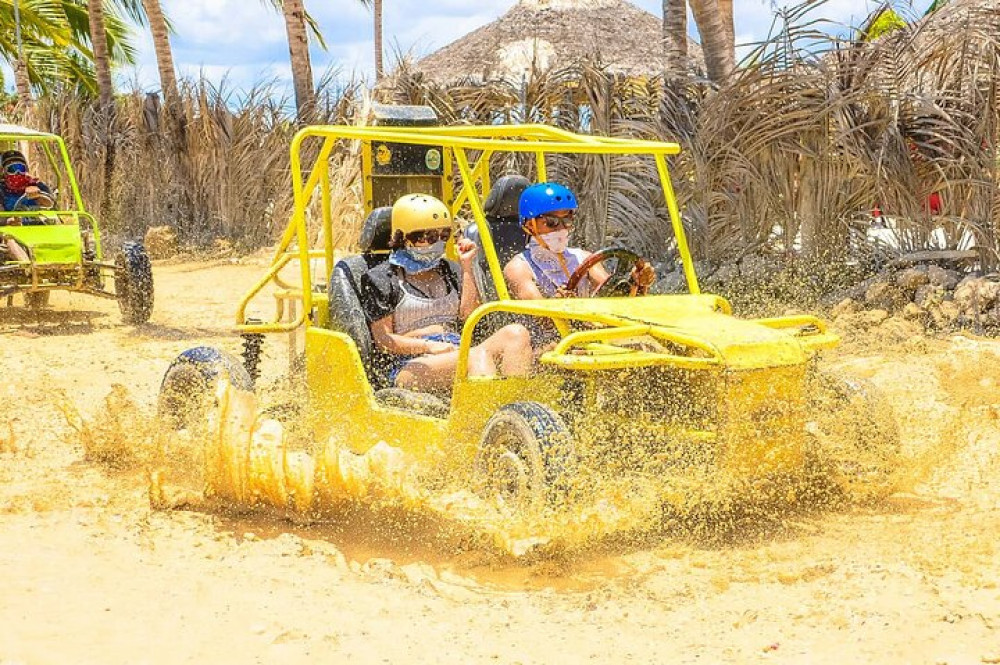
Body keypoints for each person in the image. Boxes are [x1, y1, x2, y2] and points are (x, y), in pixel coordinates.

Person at [361, 193, 533, 392]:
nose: (438, 243)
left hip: (455, 348)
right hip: (409, 363)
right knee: (476, 356)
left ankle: (516, 404)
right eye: (428, 237)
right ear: (403, 237)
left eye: (444, 236)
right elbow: (384, 341)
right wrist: (428, 346)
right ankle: (488, 414)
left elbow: (469, 316)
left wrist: (467, 266)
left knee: (516, 334)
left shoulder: (449, 270)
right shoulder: (382, 278)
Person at [503, 182, 610, 300]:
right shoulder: (519, 268)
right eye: (551, 222)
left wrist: (631, 284)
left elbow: (611, 292)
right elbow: (538, 314)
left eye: (567, 220)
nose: (561, 228)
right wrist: (557, 305)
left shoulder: (584, 258)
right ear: (530, 226)